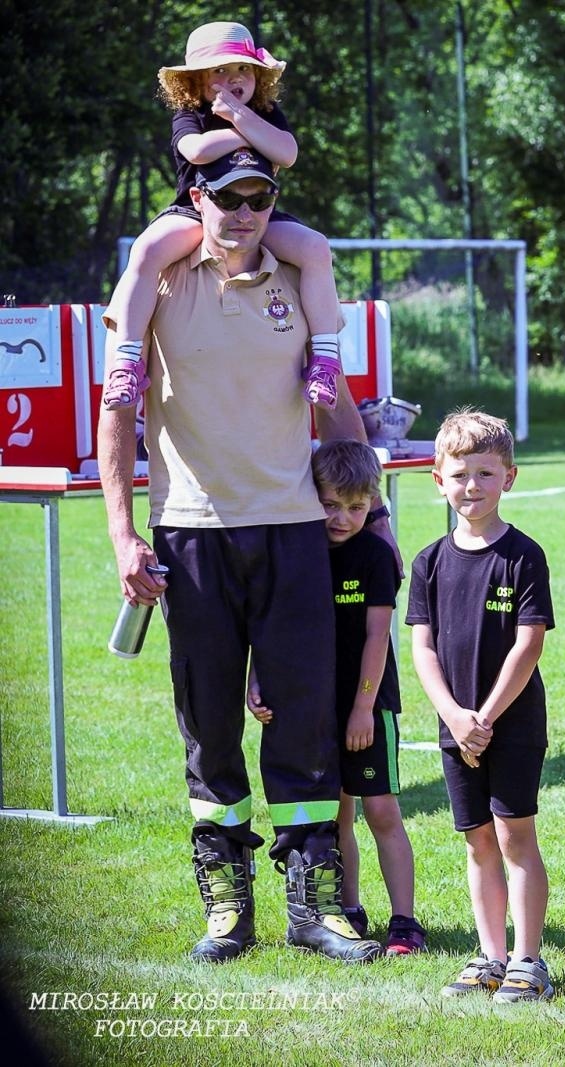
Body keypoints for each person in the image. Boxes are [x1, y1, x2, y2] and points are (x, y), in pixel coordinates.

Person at [97, 147, 383, 964]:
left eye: (260, 198)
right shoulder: (159, 281)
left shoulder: (299, 276)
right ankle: (227, 907)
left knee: (306, 720)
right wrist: (122, 533)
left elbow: (338, 406)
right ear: (198, 198)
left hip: (294, 530)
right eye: (230, 198)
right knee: (210, 724)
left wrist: (375, 509)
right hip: (191, 533)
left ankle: (313, 908)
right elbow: (116, 416)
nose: (246, 213)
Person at [102, 21, 342, 411]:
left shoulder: (264, 111)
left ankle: (325, 362)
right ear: (195, 81)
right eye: (220, 70)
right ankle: (127, 363)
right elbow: (197, 150)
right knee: (146, 251)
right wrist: (247, 131)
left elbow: (287, 153)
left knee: (316, 248)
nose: (234, 78)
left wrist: (242, 117)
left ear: (258, 77)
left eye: (243, 69)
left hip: (259, 211)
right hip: (197, 211)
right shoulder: (191, 113)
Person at [407, 410, 556, 1002]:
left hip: (510, 724)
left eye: (486, 473)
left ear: (509, 478)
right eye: (460, 474)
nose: (473, 485)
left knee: (515, 836)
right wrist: (454, 716)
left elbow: (529, 644)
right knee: (477, 840)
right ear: (438, 479)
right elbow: (422, 648)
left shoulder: (523, 556)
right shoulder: (428, 562)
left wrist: (485, 717)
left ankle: (527, 960)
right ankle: (490, 956)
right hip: (456, 727)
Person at [306, 440, 424, 956]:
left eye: (356, 507)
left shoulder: (376, 556)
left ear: (372, 503)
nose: (342, 518)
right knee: (338, 815)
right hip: (316, 705)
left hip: (369, 706)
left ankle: (405, 921)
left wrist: (362, 709)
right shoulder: (301, 550)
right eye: (330, 505)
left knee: (381, 811)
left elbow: (378, 637)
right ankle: (349, 909)